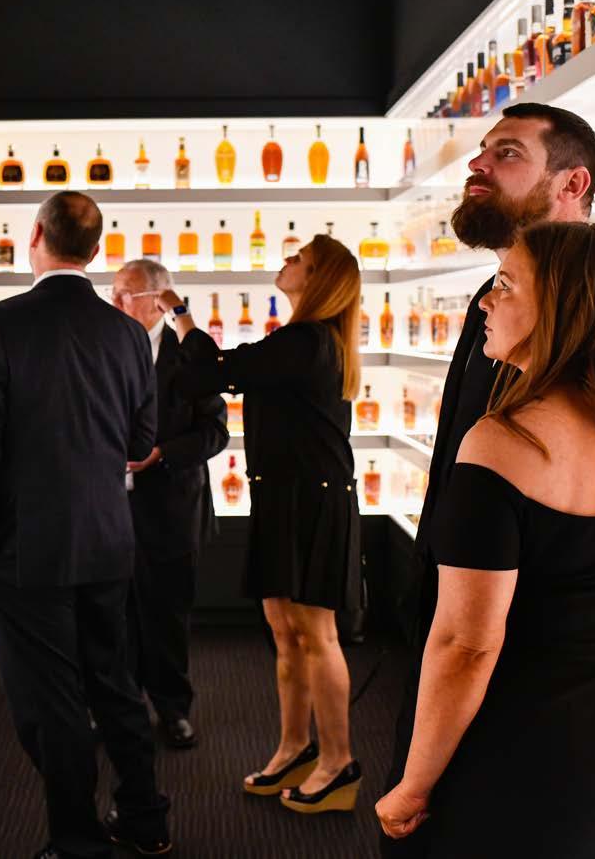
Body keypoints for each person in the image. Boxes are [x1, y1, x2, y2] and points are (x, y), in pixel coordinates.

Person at [380, 103, 595, 855]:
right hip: (478, 640)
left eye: (506, 153)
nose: (476, 165)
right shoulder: (488, 304)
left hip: (529, 670)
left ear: (572, 183)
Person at [0, 192, 171, 859]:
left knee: (51, 701)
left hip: (22, 548)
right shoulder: (127, 333)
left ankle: (77, 839)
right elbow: (141, 439)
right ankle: (145, 817)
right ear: (96, 251)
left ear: (35, 235)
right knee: (115, 682)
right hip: (107, 536)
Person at [154, 235, 364, 814]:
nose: (286, 261)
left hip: (314, 502)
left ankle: (339, 762)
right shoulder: (302, 341)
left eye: (299, 259)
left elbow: (212, 373)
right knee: (284, 632)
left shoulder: (305, 341)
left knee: (317, 635)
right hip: (281, 499)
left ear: (318, 279)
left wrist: (179, 313)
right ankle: (295, 746)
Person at [113, 260, 230, 750]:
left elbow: (216, 432)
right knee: (113, 618)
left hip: (171, 506)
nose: (116, 303)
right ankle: (119, 709)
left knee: (167, 617)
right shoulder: (105, 346)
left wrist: (161, 454)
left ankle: (173, 709)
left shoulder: (190, 355)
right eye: (113, 292)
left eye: (127, 294)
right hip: (110, 509)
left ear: (159, 300)